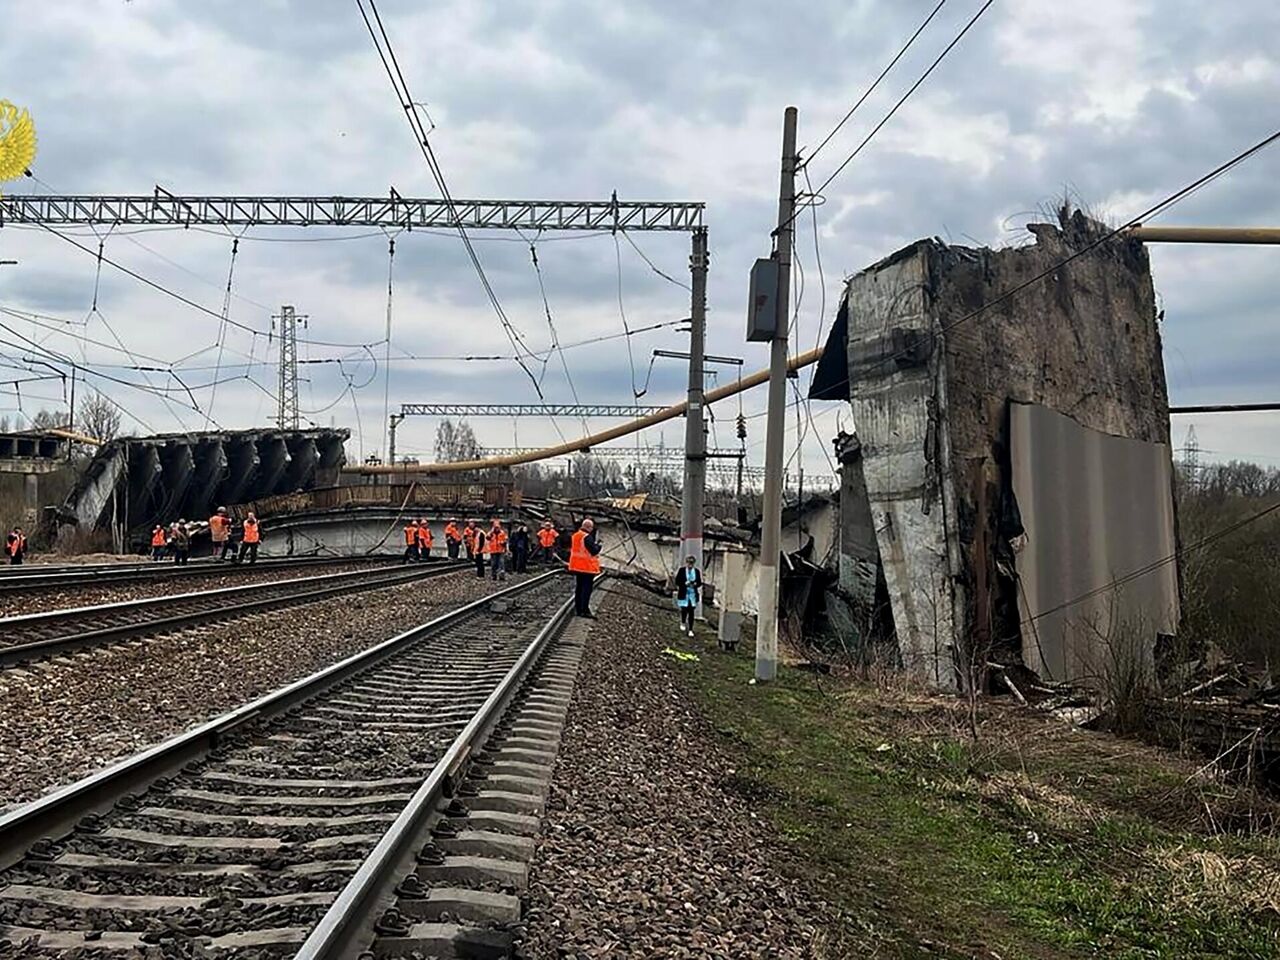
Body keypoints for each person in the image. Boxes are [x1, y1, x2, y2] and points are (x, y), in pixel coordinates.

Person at [568, 518, 602, 617]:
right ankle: (584, 610)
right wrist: (599, 546)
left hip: (577, 566)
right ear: (588, 527)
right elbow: (593, 551)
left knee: (579, 588)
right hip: (586, 567)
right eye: (591, 527)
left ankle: (578, 609)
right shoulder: (587, 537)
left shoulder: (575, 536)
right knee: (586, 589)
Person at [674, 555, 703, 637]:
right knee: (684, 609)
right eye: (689, 563)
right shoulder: (682, 570)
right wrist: (684, 583)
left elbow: (700, 582)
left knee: (691, 611)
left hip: (692, 593)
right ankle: (683, 622)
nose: (690, 565)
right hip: (684, 592)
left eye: (692, 563)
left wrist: (695, 584)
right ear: (686, 563)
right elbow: (677, 581)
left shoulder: (697, 571)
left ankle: (690, 629)